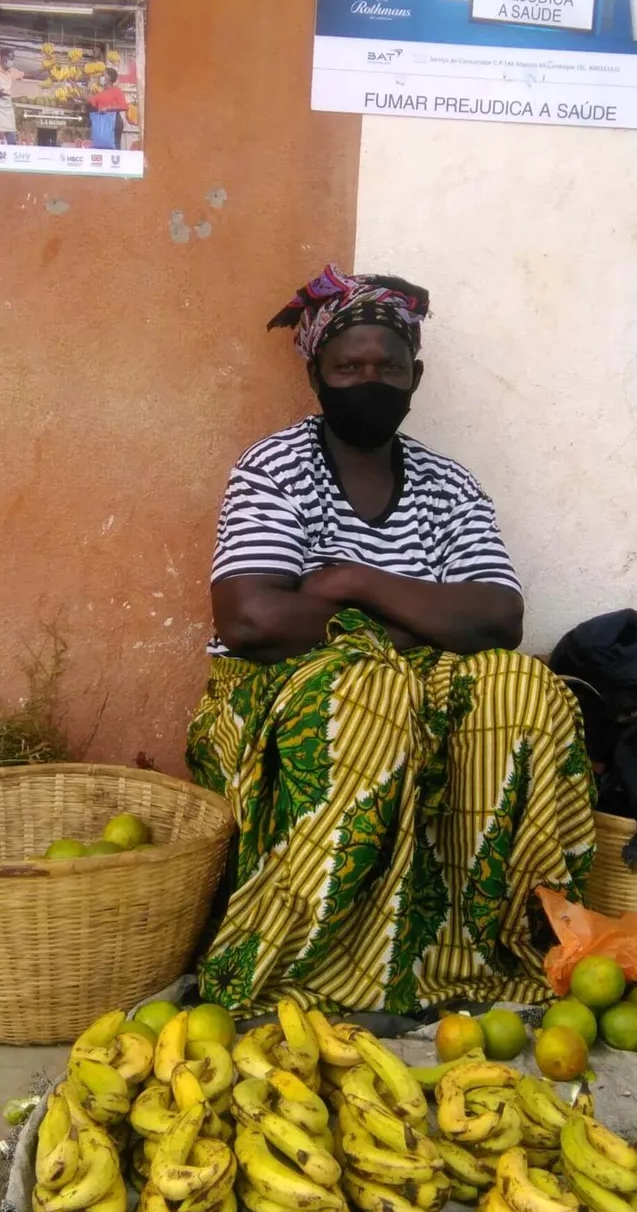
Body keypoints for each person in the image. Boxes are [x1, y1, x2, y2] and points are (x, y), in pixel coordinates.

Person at [188, 266, 597, 1016]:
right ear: (315, 372)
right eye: (349, 366)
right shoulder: (275, 468)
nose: (369, 379)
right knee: (373, 687)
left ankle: (486, 943)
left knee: (525, 686)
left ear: (417, 375)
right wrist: (414, 626)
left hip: (420, 684)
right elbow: (249, 619)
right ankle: (308, 965)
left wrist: (353, 582)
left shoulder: (450, 486)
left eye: (388, 366)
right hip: (285, 693)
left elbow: (498, 620)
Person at [85, 69, 130, 151]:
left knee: (114, 147)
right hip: (102, 123)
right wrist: (75, 87)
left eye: (103, 75)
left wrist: (108, 108)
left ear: (109, 78)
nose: (101, 77)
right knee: (101, 146)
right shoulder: (102, 93)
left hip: (114, 122)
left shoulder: (117, 91)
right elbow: (90, 101)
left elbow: (124, 106)